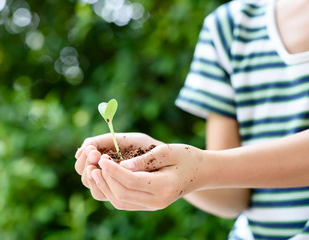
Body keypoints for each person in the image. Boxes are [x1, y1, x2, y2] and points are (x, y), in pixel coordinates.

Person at [75, 0, 309, 239]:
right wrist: (163, 161)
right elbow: (232, 196)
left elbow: (212, 167)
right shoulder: (229, 26)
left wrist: (203, 166)